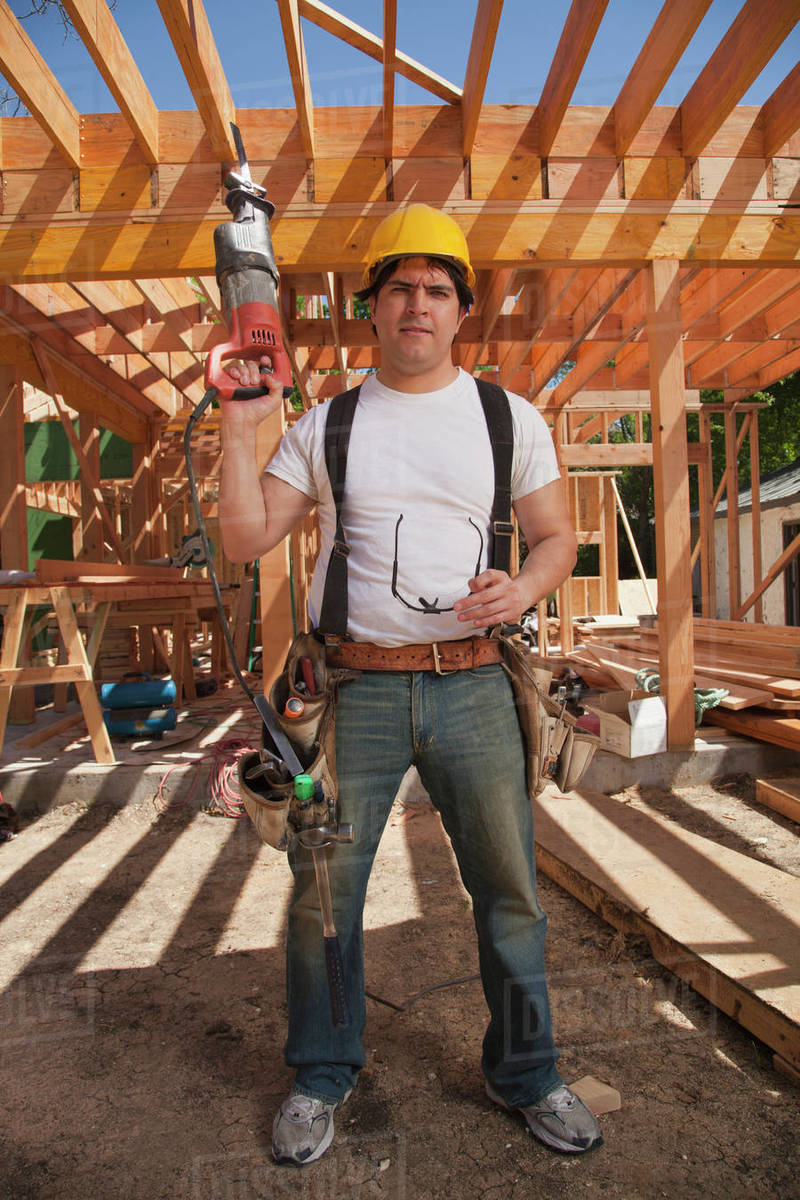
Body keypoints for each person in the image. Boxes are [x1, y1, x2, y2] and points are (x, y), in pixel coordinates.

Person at [218, 204, 603, 1165]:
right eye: (399, 289)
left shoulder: (507, 418)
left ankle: (528, 1071)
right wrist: (239, 425)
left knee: (510, 890)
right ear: (374, 309)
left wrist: (524, 586)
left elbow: (557, 537)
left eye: (437, 289)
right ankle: (321, 1074)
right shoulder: (328, 424)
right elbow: (245, 537)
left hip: (475, 689)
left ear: (460, 311)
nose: (418, 305)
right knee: (323, 892)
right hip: (355, 693)